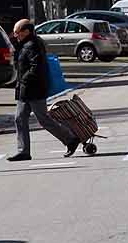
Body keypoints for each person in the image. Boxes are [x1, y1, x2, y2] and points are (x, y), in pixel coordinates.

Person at [7, 18, 78, 162]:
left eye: (17, 32)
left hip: (34, 89)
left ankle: (70, 139)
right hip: (25, 90)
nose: (15, 35)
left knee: (43, 119)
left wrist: (24, 79)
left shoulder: (33, 44)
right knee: (19, 118)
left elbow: (36, 67)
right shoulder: (25, 43)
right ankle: (23, 151)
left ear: (26, 31)